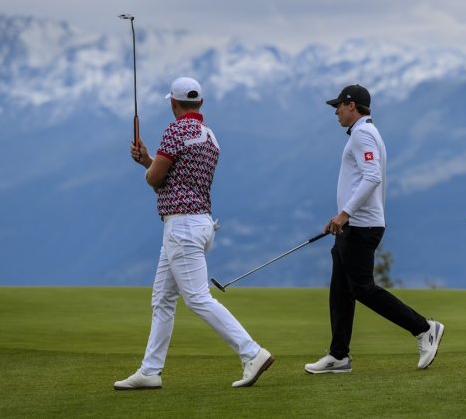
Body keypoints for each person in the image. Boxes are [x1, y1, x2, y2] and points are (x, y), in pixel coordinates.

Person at [114, 77, 274, 390]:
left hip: (182, 226)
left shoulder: (175, 130)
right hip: (199, 222)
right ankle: (150, 371)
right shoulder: (210, 136)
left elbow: (155, 179)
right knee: (162, 299)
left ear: (173, 103)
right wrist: (148, 160)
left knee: (198, 298)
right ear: (200, 103)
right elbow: (177, 178)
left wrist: (147, 166)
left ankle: (252, 352)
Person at [305, 84, 444, 374]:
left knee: (362, 289)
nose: (336, 112)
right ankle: (338, 355)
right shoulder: (362, 133)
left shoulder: (363, 134)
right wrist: (344, 218)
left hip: (361, 225)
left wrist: (344, 214)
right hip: (354, 225)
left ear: (352, 106)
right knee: (341, 290)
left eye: (339, 106)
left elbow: (371, 178)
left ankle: (424, 328)